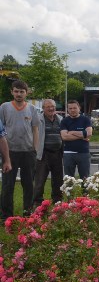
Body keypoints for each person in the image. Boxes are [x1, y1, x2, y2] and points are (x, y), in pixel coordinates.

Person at [0, 80, 40, 218]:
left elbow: (35, 130)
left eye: (21, 91)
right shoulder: (4, 107)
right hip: (9, 153)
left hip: (28, 152)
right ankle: (6, 216)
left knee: (28, 185)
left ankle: (27, 214)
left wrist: (35, 149)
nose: (18, 94)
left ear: (26, 93)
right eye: (16, 91)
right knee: (7, 186)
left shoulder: (32, 109)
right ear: (12, 92)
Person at [33, 99, 64, 207]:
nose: (51, 109)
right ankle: (37, 204)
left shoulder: (60, 119)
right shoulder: (38, 119)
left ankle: (57, 202)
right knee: (40, 181)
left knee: (58, 181)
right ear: (43, 108)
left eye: (53, 106)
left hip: (57, 154)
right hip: (43, 154)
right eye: (48, 107)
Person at [60, 100, 93, 179]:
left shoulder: (86, 120)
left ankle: (85, 192)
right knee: (69, 179)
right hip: (68, 153)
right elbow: (64, 137)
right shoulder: (64, 121)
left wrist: (71, 132)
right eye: (70, 108)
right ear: (67, 109)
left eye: (75, 108)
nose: (72, 110)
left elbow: (89, 134)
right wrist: (82, 135)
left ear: (79, 108)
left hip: (83, 153)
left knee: (85, 178)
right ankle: (70, 192)